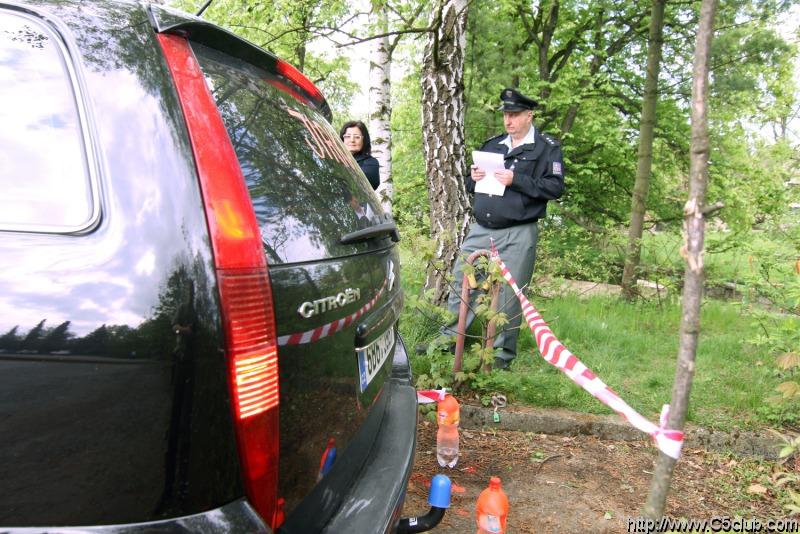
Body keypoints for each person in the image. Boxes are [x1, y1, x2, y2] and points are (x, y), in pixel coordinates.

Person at [442, 88, 565, 370]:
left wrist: (517, 179)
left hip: (518, 232)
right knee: (462, 282)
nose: (508, 120)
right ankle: (450, 341)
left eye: (514, 114)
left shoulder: (547, 147)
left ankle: (500, 356)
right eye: (506, 115)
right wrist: (472, 178)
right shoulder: (493, 144)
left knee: (509, 295)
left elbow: (555, 187)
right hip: (481, 227)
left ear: (529, 115)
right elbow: (473, 184)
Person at [340, 120, 380, 190]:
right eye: (348, 136)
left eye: (357, 137)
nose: (352, 140)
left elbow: (358, 181)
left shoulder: (371, 163)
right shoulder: (334, 158)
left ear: (364, 140)